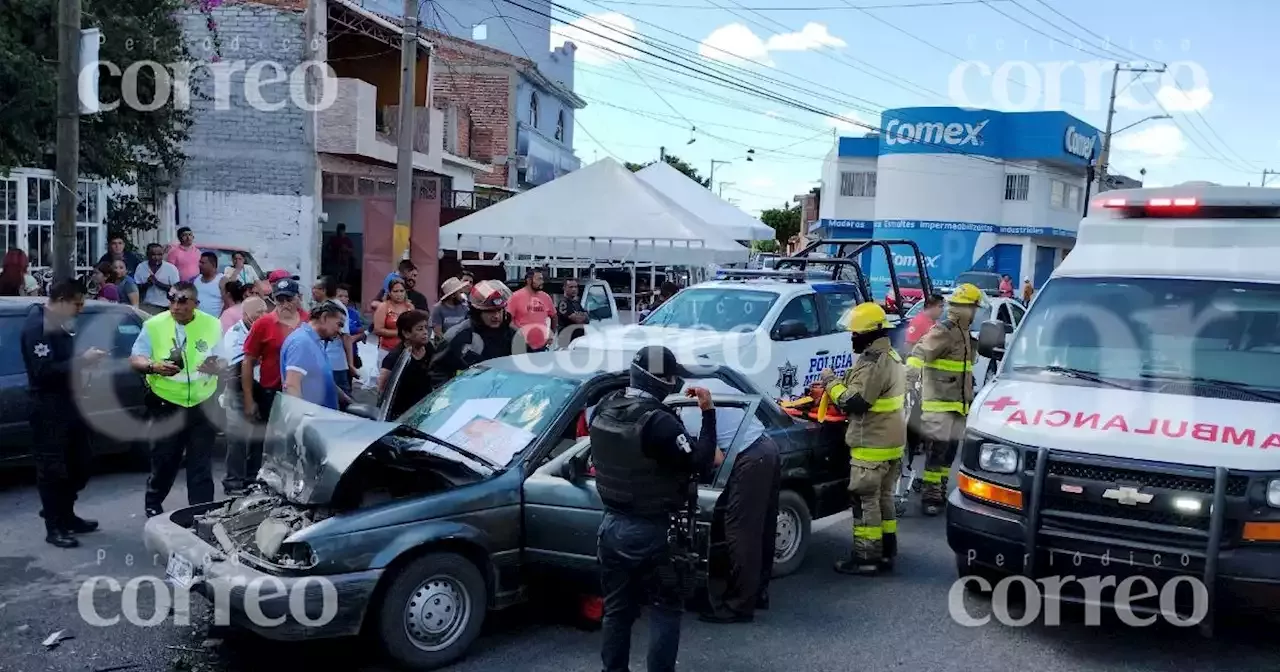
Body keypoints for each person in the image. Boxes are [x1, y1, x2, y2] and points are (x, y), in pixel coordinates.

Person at [590, 346, 720, 672]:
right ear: (662, 380)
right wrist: (708, 413)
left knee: (617, 610)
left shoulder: (604, 407)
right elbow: (702, 463)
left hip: (612, 527)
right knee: (665, 608)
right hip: (657, 531)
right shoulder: (659, 422)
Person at [819, 302, 907, 574]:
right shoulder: (890, 355)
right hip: (891, 443)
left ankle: (867, 557)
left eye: (856, 333)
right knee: (883, 499)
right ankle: (886, 551)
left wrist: (830, 383)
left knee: (865, 501)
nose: (852, 337)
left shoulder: (872, 361)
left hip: (871, 445)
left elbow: (855, 401)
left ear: (869, 333)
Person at [684, 379, 779, 624]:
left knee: (740, 531)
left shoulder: (687, 409)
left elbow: (716, 458)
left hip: (749, 457)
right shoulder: (711, 381)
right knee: (761, 529)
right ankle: (757, 593)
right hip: (766, 447)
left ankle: (739, 606)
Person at [21, 280, 108, 547]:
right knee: (52, 468)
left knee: (80, 461)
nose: (80, 309)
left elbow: (63, 360)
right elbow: (43, 371)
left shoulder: (61, 320)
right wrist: (83, 361)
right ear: (60, 300)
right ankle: (54, 525)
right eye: (77, 304)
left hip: (72, 402)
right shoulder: (38, 326)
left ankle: (67, 514)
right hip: (49, 406)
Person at [128, 281, 223, 517]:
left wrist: (216, 366)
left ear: (195, 304)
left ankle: (201, 511)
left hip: (203, 403)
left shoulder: (211, 324)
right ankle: (153, 502)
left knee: (200, 463)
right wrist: (153, 366)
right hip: (167, 404)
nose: (175, 306)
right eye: (171, 299)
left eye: (182, 301)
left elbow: (224, 359)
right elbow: (135, 359)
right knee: (165, 459)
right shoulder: (154, 325)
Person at [907, 283, 981, 516]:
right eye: (975, 308)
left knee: (949, 452)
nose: (977, 312)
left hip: (957, 404)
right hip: (938, 403)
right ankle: (930, 496)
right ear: (968, 308)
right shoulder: (945, 330)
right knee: (937, 451)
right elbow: (919, 353)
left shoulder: (965, 334)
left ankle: (938, 488)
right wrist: (906, 382)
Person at [242, 278, 309, 443]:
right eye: (280, 300)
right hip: (272, 392)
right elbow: (248, 361)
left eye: (289, 299)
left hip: (303, 391)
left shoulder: (308, 321)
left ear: (299, 298)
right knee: (267, 442)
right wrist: (249, 399)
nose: (285, 304)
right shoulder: (263, 324)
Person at [430, 280, 524, 386]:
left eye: (499, 310)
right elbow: (438, 371)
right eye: (489, 311)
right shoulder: (457, 335)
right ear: (477, 312)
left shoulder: (514, 335)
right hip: (467, 397)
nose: (496, 316)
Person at [219, 296, 267, 496]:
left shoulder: (263, 329)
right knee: (238, 438)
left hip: (260, 390)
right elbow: (240, 364)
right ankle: (233, 482)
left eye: (265, 312)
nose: (263, 317)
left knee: (259, 438)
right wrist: (260, 355)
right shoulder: (236, 333)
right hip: (237, 391)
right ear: (246, 315)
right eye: (258, 313)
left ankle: (252, 479)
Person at [281, 301, 350, 409]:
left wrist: (350, 402)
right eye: (339, 324)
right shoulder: (302, 343)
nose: (340, 331)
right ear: (324, 317)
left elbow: (323, 379)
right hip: (311, 420)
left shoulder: (316, 342)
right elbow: (291, 386)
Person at [378, 310, 434, 418]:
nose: (425, 332)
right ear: (406, 333)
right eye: (420, 329)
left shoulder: (429, 348)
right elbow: (382, 391)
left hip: (424, 410)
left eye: (426, 328)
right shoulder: (394, 358)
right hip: (401, 415)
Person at [312, 276, 356, 396]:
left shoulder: (336, 309)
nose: (312, 291)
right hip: (322, 361)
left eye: (315, 288)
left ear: (324, 290)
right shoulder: (320, 306)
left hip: (335, 363)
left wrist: (350, 364)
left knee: (341, 398)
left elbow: (346, 337)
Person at [508, 268, 555, 352]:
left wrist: (552, 333)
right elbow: (508, 321)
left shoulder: (546, 297)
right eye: (539, 279)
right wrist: (520, 332)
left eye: (542, 279)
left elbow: (554, 316)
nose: (542, 282)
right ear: (529, 280)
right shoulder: (515, 297)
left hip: (541, 345)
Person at [134, 243, 182, 314]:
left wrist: (157, 283)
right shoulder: (141, 267)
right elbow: (136, 289)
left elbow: (176, 290)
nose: (156, 257)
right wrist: (147, 284)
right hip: (147, 306)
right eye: (153, 255)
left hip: (166, 307)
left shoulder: (171, 268)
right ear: (147, 255)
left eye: (160, 255)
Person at [373, 278, 413, 361]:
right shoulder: (383, 307)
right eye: (395, 291)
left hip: (406, 351)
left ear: (405, 292)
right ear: (390, 293)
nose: (399, 294)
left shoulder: (410, 307)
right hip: (387, 351)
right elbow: (377, 330)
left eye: (401, 291)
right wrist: (400, 333)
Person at [556, 277, 590, 346]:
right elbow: (577, 320)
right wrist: (582, 315)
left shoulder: (576, 303)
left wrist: (580, 315)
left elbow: (587, 319)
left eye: (575, 287)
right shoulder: (563, 303)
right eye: (571, 287)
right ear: (564, 288)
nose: (574, 289)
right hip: (567, 341)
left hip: (577, 341)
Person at [192, 251, 225, 317]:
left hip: (213, 322)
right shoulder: (197, 279)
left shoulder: (222, 280)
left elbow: (228, 304)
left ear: (213, 265)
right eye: (199, 262)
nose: (199, 265)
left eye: (203, 263)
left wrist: (220, 320)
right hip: (196, 320)